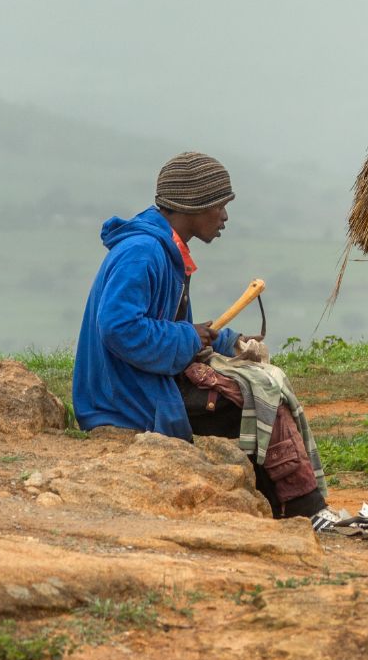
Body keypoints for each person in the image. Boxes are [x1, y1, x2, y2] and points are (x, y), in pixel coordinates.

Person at [73, 151, 327, 519]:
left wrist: (230, 342)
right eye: (219, 206)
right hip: (122, 399)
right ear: (193, 204)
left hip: (142, 383)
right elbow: (119, 328)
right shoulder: (142, 253)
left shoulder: (165, 251)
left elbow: (181, 329)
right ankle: (302, 512)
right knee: (251, 403)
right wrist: (188, 338)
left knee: (258, 391)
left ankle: (290, 509)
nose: (224, 217)